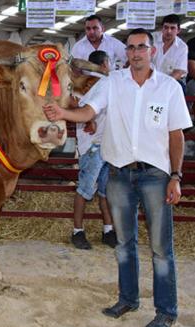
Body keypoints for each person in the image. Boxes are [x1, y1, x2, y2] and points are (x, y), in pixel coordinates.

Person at [43, 28, 192, 327]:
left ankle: (166, 310)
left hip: (155, 175)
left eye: (142, 47)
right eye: (131, 48)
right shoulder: (113, 83)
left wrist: (175, 176)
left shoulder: (169, 87)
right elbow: (88, 112)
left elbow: (176, 135)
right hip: (119, 174)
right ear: (126, 52)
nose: (136, 52)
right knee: (124, 244)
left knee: (161, 248)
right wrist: (62, 112)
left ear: (152, 52)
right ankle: (128, 299)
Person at [71, 50, 116, 250]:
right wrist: (89, 119)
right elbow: (82, 106)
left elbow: (74, 102)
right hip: (95, 144)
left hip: (100, 143)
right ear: (104, 64)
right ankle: (79, 231)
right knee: (89, 189)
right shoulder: (100, 82)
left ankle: (107, 230)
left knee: (98, 189)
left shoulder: (86, 81)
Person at [152, 14, 188, 92]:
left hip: (170, 80)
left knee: (180, 88)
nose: (169, 31)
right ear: (162, 28)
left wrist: (163, 84)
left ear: (178, 30)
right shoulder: (151, 39)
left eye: (172, 28)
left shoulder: (182, 47)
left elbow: (179, 71)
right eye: (166, 27)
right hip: (149, 79)